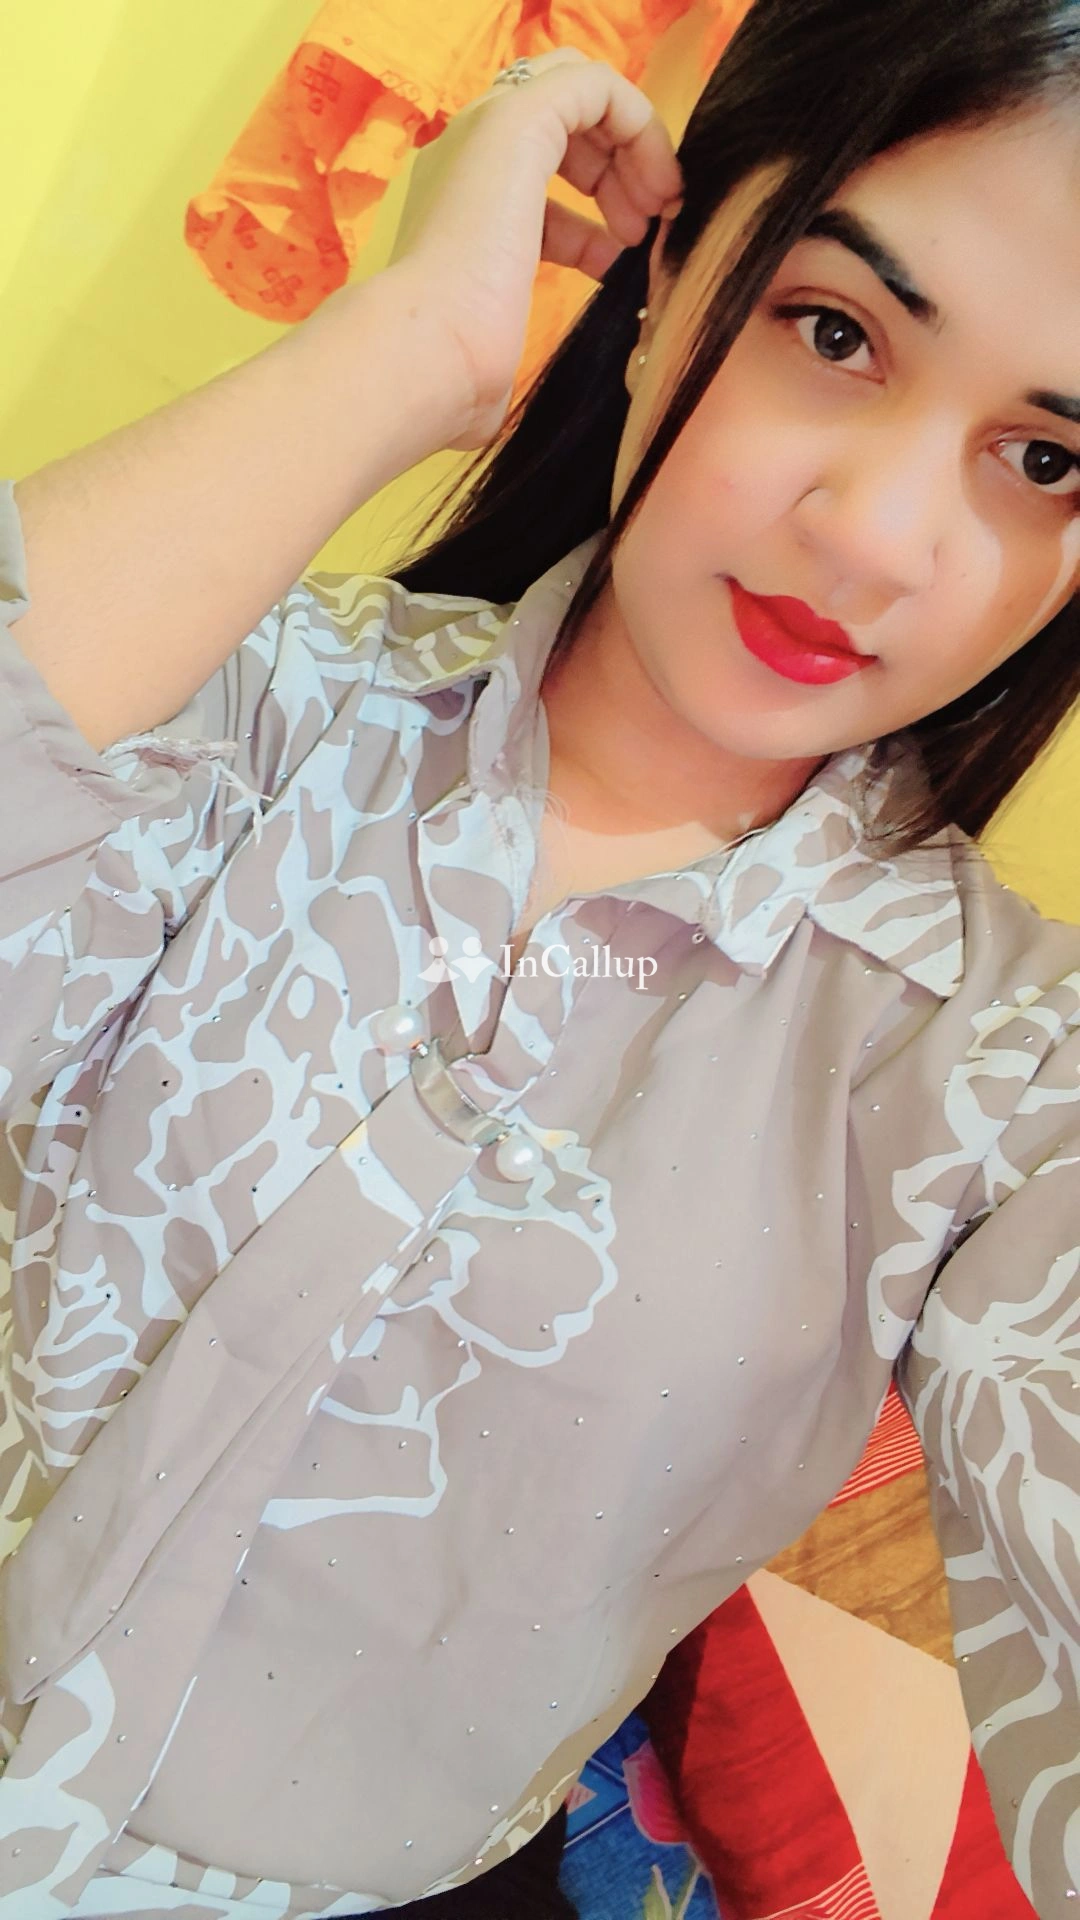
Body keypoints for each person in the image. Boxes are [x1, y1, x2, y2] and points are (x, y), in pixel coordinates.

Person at [1, 2, 1079, 1915]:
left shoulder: (994, 1066)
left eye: (1050, 458)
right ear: (670, 276)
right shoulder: (241, 699)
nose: (878, 537)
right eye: (834, 331)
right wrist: (405, 353)